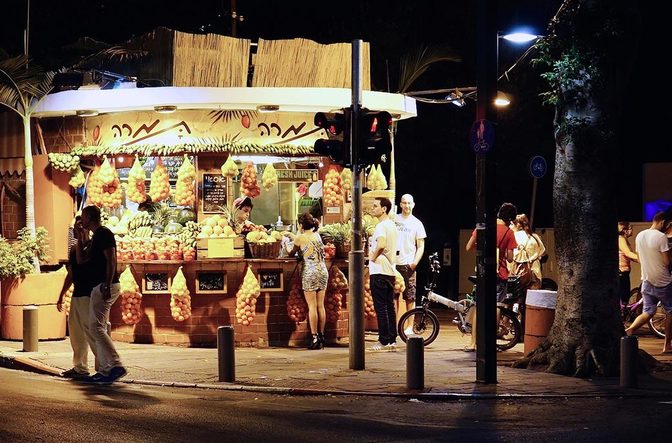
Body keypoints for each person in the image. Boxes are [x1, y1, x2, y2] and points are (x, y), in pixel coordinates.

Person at [79, 205, 127, 384]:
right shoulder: (94, 237)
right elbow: (81, 260)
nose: (81, 220)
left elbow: (112, 259)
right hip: (98, 286)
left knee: (97, 328)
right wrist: (81, 237)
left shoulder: (104, 234)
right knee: (96, 327)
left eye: (83, 216)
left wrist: (106, 284)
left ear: (90, 217)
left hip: (105, 286)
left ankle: (115, 365)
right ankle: (106, 369)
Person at [464, 202, 518, 351]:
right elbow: (510, 258)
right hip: (499, 275)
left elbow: (468, 247)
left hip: (482, 273)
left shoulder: (483, 226)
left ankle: (473, 343)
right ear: (511, 218)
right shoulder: (509, 232)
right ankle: (490, 343)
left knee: (478, 307)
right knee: (497, 307)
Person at [625, 212, 672, 354]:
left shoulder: (640, 235)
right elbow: (666, 262)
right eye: (669, 225)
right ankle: (667, 346)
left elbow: (639, 258)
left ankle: (629, 330)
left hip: (646, 280)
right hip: (663, 281)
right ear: (663, 222)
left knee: (648, 311)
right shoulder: (661, 237)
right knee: (670, 311)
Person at [57, 216, 97, 379]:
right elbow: (71, 274)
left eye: (78, 226)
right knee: (77, 332)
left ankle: (103, 367)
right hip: (80, 294)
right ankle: (80, 367)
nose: (75, 229)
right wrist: (61, 294)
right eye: (75, 227)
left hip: (89, 294)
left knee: (92, 332)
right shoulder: (75, 249)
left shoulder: (92, 246)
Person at [287, 212, 328, 349]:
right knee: (320, 306)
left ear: (300, 224)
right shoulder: (317, 235)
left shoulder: (300, 238)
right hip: (322, 271)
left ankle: (315, 337)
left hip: (310, 272)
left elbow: (291, 252)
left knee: (312, 306)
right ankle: (322, 336)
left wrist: (291, 239)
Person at [368, 197, 399, 351]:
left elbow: (381, 244)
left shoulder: (381, 226)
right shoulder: (392, 226)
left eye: (375, 206)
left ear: (384, 209)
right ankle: (392, 338)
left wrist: (371, 258)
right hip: (390, 272)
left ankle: (383, 340)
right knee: (389, 306)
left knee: (381, 308)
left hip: (379, 270)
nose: (372, 208)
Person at [395, 194, 427, 315]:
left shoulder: (417, 223)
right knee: (394, 296)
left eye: (409, 203)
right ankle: (395, 326)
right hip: (394, 264)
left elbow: (421, 246)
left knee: (410, 297)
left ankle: (409, 327)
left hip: (408, 264)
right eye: (404, 203)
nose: (407, 206)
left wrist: (414, 263)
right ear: (401, 204)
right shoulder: (394, 219)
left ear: (413, 204)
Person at [511, 214, 546, 291]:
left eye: (512, 224)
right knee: (532, 298)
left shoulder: (516, 236)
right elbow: (543, 251)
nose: (510, 226)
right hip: (535, 271)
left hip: (520, 272)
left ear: (518, 224)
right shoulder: (535, 236)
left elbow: (513, 256)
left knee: (519, 297)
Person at [617, 221, 639, 305]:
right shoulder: (620, 239)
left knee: (625, 294)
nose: (632, 230)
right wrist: (643, 258)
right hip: (621, 271)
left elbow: (631, 256)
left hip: (625, 271)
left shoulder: (624, 240)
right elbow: (628, 253)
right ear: (625, 230)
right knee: (624, 296)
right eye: (630, 228)